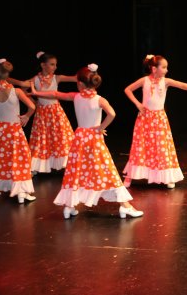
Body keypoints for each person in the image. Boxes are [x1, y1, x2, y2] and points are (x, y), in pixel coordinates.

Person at [31, 64, 143, 219]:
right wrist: (100, 128)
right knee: (106, 170)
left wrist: (37, 92)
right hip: (93, 140)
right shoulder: (99, 100)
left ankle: (69, 206)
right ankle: (125, 206)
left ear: (81, 84)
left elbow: (56, 94)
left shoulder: (76, 96)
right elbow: (112, 113)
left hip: (79, 138)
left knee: (77, 171)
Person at [123, 55, 187, 189]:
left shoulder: (166, 81)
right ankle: (130, 176)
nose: (166, 70)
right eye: (163, 67)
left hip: (159, 119)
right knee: (140, 147)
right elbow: (127, 90)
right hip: (145, 119)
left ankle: (167, 176)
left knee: (162, 148)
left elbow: (182, 85)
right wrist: (138, 104)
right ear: (153, 69)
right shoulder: (144, 80)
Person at [26, 51, 76, 174]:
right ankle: (37, 167)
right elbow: (22, 90)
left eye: (55, 64)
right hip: (42, 114)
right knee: (42, 139)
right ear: (43, 65)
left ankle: (68, 164)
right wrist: (33, 102)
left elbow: (75, 78)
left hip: (56, 113)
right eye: (52, 64)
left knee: (62, 137)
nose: (55, 67)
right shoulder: (35, 79)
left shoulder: (56, 78)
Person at [0, 58, 36, 203]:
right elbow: (32, 106)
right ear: (8, 74)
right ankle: (21, 192)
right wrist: (26, 117)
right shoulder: (17, 91)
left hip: (0, 130)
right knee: (21, 159)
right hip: (14, 131)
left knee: (1, 159)